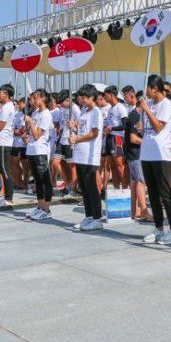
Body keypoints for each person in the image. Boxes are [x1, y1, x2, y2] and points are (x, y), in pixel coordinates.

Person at [139, 74, 171, 245]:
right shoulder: (150, 104)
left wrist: (147, 111)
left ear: (155, 88)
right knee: (153, 194)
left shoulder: (166, 105)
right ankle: (158, 228)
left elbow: (158, 127)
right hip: (147, 152)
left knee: (165, 194)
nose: (146, 92)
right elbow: (148, 127)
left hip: (160, 154)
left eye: (148, 88)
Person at [69, 84, 104, 231]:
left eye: (84, 97)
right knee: (84, 187)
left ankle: (97, 218)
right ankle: (88, 216)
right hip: (80, 154)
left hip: (90, 155)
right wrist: (74, 127)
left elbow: (94, 133)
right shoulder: (84, 111)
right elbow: (83, 129)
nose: (81, 100)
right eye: (80, 97)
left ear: (91, 97)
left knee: (91, 188)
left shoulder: (96, 112)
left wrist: (77, 139)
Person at [24, 89, 55, 220]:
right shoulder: (36, 112)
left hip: (40, 150)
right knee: (37, 180)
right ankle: (40, 206)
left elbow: (37, 135)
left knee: (44, 180)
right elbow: (32, 134)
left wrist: (30, 123)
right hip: (31, 149)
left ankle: (46, 209)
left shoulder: (46, 114)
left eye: (36, 97)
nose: (34, 100)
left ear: (43, 99)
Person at [121, 85, 148, 221]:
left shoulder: (136, 115)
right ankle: (143, 211)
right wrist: (147, 143)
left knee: (134, 182)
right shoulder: (135, 116)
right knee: (140, 182)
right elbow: (133, 138)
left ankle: (134, 211)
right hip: (135, 153)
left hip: (132, 153)